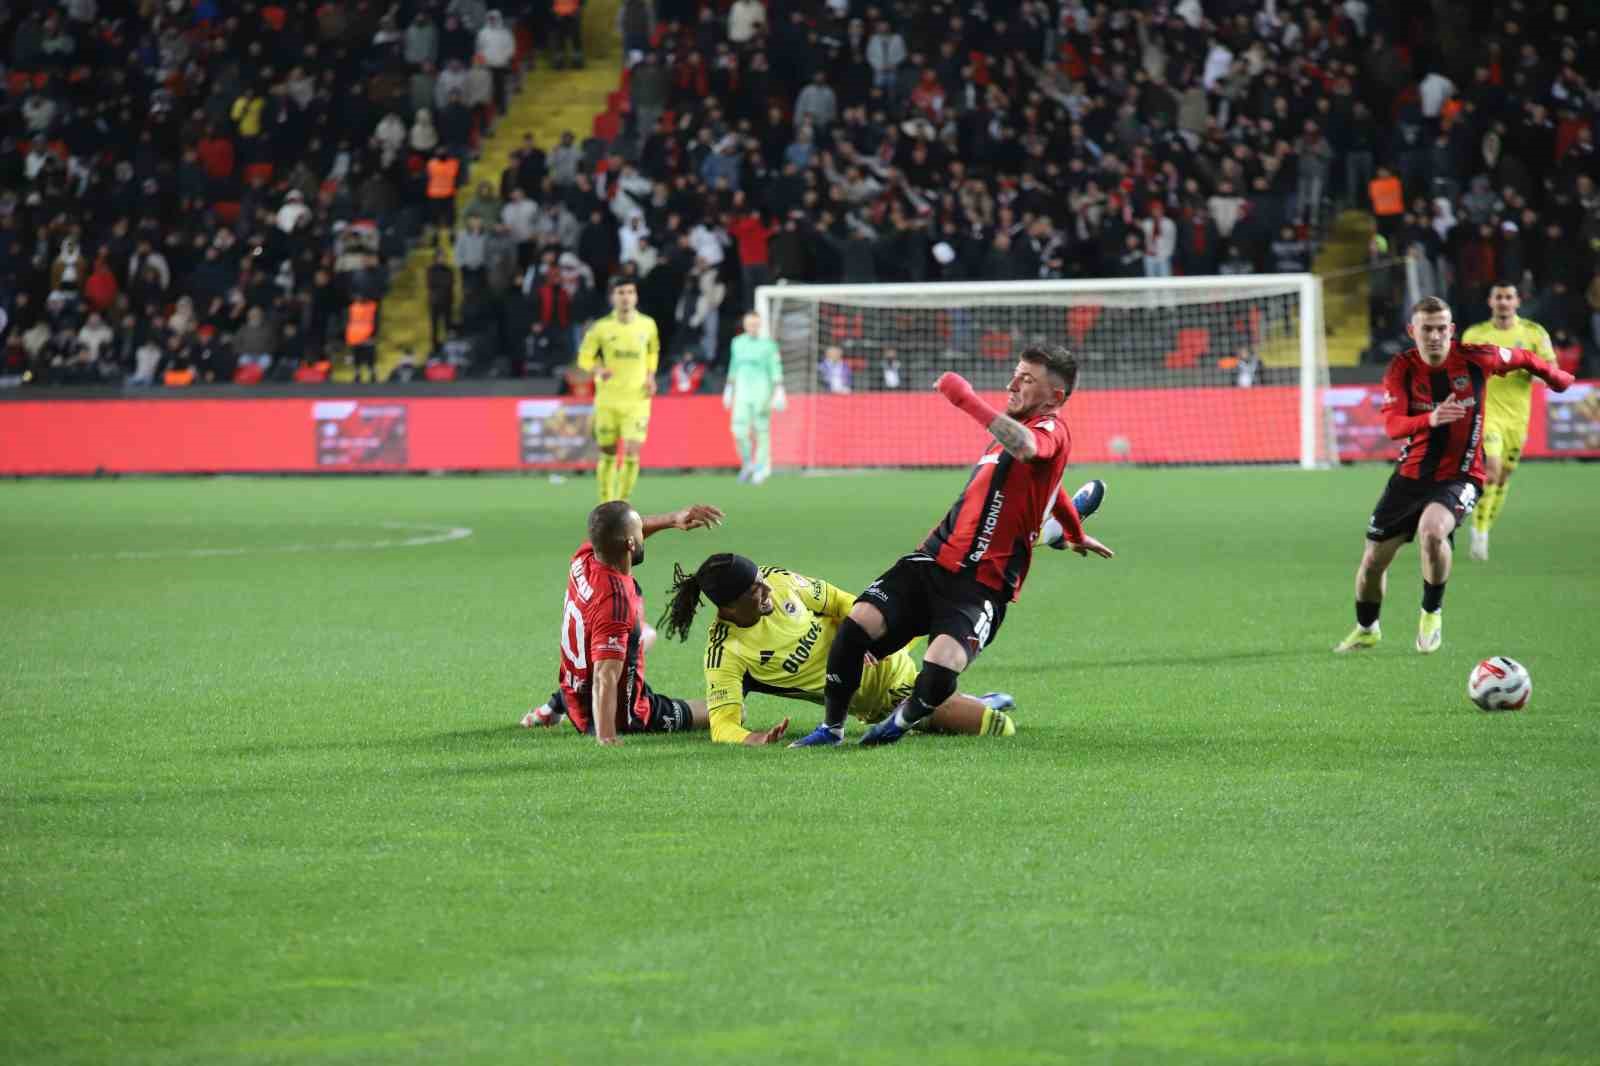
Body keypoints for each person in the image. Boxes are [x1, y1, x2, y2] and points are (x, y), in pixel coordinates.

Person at [790, 347, 1116, 748]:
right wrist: (1072, 530)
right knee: (855, 627)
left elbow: (1030, 449)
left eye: (1026, 380)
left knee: (940, 671)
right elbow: (1051, 485)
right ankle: (831, 729)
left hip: (982, 585)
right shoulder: (1011, 432)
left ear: (1055, 397)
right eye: (1015, 374)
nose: (1011, 385)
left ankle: (900, 721)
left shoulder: (1049, 430)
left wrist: (964, 399)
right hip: (931, 560)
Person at [1334, 297, 1573, 656]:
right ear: (1412, 331)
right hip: (1411, 475)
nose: (1434, 335)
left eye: (1441, 328)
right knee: (1372, 563)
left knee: (1433, 532)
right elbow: (1393, 424)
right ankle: (1367, 628)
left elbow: (1523, 358)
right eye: (1426, 329)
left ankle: (1431, 613)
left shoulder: (1478, 357)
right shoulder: (1402, 368)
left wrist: (1554, 376)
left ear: (1452, 330)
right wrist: (1430, 419)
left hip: (1462, 474)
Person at [521, 500, 737, 746]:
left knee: (644, 635)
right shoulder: (616, 601)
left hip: (574, 688)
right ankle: (597, 719)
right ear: (631, 543)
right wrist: (606, 735)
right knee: (729, 711)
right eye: (639, 532)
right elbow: (605, 677)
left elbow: (620, 530)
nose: (643, 534)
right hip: (619, 712)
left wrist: (673, 519)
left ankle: (554, 706)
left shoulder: (586, 556)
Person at [1458, 283, 1556, 562]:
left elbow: (1551, 368)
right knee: (1491, 469)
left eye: (1508, 297)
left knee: (1503, 476)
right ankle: (1479, 533)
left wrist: (1540, 374)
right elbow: (1460, 371)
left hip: (1517, 418)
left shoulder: (1534, 333)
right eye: (1498, 297)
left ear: (1517, 301)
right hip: (1486, 413)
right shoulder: (1476, 334)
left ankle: (1485, 525)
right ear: (1490, 301)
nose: (1503, 302)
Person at [575, 277, 660, 501]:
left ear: (636, 296)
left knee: (632, 451)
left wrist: (651, 376)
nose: (626, 297)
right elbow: (583, 358)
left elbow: (653, 352)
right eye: (621, 292)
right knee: (608, 453)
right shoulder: (601, 328)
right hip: (608, 400)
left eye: (630, 292)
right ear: (613, 297)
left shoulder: (648, 325)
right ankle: (605, 502)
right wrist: (598, 369)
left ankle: (622, 503)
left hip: (637, 399)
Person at [723, 311, 785, 484]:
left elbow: (775, 367)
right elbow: (733, 366)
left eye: (756, 324)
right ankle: (747, 463)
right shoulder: (737, 343)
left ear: (760, 325)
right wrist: (729, 388)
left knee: (761, 431)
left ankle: (759, 468)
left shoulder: (768, 345)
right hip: (742, 393)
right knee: (738, 431)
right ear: (744, 325)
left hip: (762, 392)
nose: (753, 327)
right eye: (750, 324)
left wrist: (779, 389)